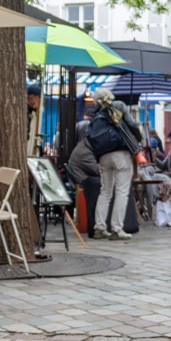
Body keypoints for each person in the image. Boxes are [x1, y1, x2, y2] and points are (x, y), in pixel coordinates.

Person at [86, 88, 140, 240]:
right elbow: (132, 125)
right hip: (120, 153)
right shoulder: (119, 106)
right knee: (122, 191)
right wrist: (137, 141)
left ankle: (99, 227)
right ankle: (117, 228)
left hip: (103, 156)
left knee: (105, 191)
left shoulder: (95, 114)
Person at [68, 108, 102, 238]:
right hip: (82, 180)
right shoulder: (85, 152)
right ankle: (96, 224)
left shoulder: (84, 146)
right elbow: (96, 170)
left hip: (82, 177)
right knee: (103, 185)